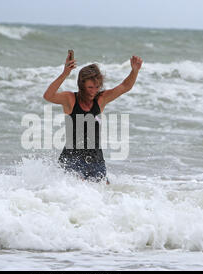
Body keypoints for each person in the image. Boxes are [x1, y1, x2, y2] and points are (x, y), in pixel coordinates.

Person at [43, 52, 143, 183]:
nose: (93, 91)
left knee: (103, 195)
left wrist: (134, 70)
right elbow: (48, 96)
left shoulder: (101, 99)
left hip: (96, 160)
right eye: (90, 87)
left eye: (97, 87)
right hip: (72, 159)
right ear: (81, 85)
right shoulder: (70, 99)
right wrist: (65, 74)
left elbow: (125, 86)